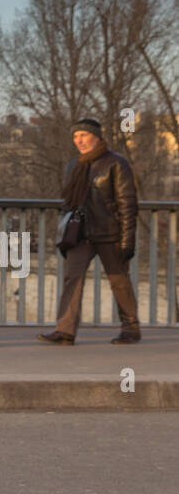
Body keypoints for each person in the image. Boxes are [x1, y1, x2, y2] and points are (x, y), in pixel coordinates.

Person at [38, 118, 140, 345]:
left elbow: (127, 204)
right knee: (71, 278)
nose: (79, 140)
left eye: (83, 135)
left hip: (109, 232)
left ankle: (131, 328)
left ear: (97, 136)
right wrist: (64, 234)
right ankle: (65, 331)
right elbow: (68, 201)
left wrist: (127, 240)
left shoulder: (116, 163)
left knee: (119, 280)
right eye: (75, 136)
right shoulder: (74, 165)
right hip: (80, 233)